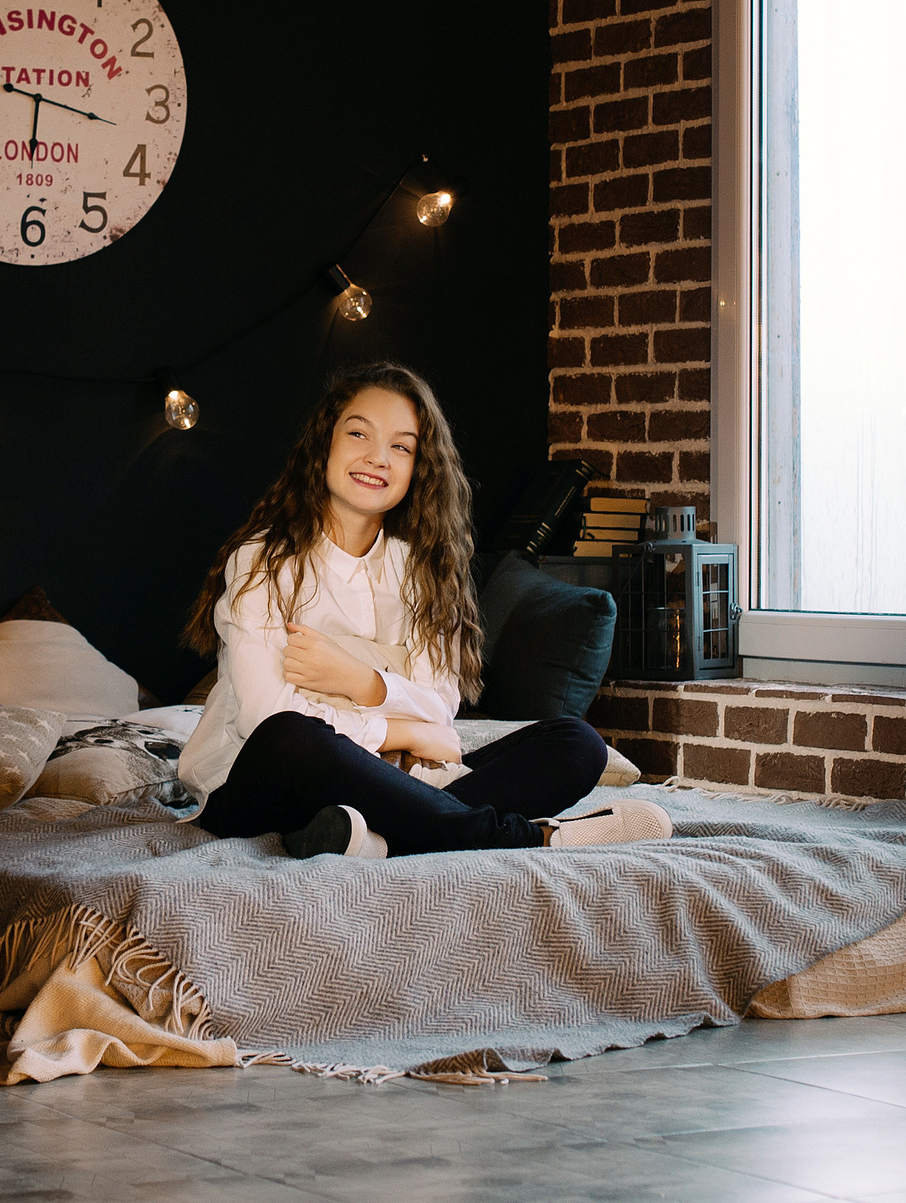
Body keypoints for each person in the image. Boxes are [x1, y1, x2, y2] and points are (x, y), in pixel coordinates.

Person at [177, 361, 671, 858]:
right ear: (323, 443)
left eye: (401, 446)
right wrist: (403, 729)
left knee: (577, 744)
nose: (377, 458)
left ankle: (370, 838)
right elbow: (264, 717)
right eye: (358, 434)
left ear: (419, 468)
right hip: (261, 784)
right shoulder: (262, 560)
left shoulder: (419, 569)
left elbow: (441, 703)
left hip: (398, 781)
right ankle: (522, 836)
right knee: (292, 736)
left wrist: (359, 681)